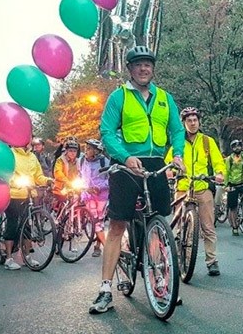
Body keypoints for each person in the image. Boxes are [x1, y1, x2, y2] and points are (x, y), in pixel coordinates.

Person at [90, 45, 185, 314]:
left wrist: (177, 154)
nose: (144, 68)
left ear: (153, 69)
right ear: (129, 69)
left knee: (159, 221)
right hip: (126, 166)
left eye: (148, 64)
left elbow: (176, 130)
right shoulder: (118, 97)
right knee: (117, 225)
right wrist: (123, 157)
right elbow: (107, 132)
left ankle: (164, 282)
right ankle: (106, 289)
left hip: (156, 164)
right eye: (138, 64)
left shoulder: (165, 98)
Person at [165, 107, 226, 276]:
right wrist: (169, 172)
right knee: (178, 227)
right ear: (184, 123)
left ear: (199, 122)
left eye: (195, 120)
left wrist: (220, 173)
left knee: (208, 227)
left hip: (202, 186)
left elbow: (218, 162)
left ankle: (212, 261)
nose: (192, 123)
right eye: (189, 121)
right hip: (183, 187)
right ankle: (177, 259)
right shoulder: (178, 142)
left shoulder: (207, 141)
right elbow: (169, 162)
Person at [5, 142, 53, 270]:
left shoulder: (32, 157)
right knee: (13, 224)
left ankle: (27, 256)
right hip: (14, 194)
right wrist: (16, 182)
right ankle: (8, 258)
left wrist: (47, 180)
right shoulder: (11, 154)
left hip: (29, 195)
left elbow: (38, 176)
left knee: (27, 226)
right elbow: (6, 173)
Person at [80, 139, 109, 258]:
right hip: (88, 196)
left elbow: (111, 179)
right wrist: (84, 189)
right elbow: (81, 176)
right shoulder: (82, 161)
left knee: (99, 221)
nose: (86, 151)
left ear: (96, 151)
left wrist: (99, 187)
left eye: (89, 149)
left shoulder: (105, 162)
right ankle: (108, 249)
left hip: (102, 196)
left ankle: (99, 246)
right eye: (86, 148)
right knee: (96, 221)